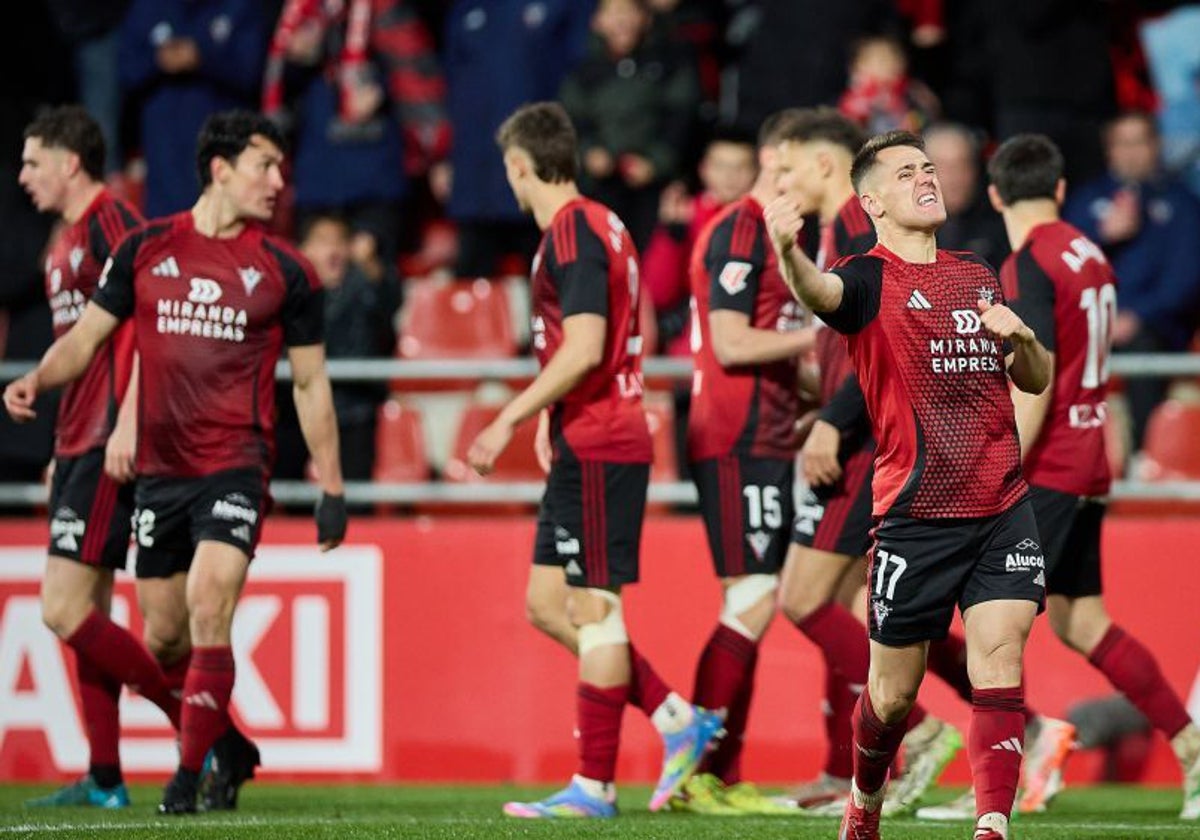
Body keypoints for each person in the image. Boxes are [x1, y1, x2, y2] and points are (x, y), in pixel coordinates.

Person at [4, 110, 348, 815]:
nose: (279, 182)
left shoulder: (284, 268)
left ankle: (186, 780)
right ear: (221, 169)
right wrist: (40, 378)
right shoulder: (147, 248)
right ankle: (211, 743)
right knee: (162, 635)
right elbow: (90, 339)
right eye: (265, 166)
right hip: (159, 471)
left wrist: (332, 487)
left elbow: (311, 383)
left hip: (232, 462)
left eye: (280, 168)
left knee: (202, 603)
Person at [764, 130, 1052, 840]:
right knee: (892, 697)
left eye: (929, 168)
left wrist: (1022, 342)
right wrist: (788, 252)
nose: (925, 178)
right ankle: (865, 801)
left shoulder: (978, 272)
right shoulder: (865, 278)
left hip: (1001, 505)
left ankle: (991, 825)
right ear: (873, 202)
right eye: (906, 173)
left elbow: (1036, 379)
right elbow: (820, 291)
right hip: (916, 517)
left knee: (1000, 659)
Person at [466, 102, 723, 819]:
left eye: (507, 169)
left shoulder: (573, 230)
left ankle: (594, 787)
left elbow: (584, 347)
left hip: (604, 438)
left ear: (521, 164)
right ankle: (678, 720)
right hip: (586, 431)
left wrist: (507, 421)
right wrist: (553, 415)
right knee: (549, 605)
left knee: (596, 610)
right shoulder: (601, 221)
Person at [985, 133, 1200, 821]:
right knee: (1083, 623)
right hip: (1089, 458)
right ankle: (1194, 748)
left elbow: (1036, 371)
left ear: (994, 196)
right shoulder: (1088, 253)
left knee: (994, 626)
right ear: (1056, 190)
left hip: (1046, 464)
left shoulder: (1029, 263)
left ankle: (1012, 774)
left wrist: (1000, 467)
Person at [15, 104, 175, 810]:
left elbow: (151, 317)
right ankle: (107, 777)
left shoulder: (113, 221)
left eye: (32, 161)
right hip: (77, 437)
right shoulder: (68, 237)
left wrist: (128, 422)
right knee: (89, 616)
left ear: (69, 161)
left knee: (61, 609)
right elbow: (82, 343)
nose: (22, 176)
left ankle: (203, 727)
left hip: (108, 434)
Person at [671, 110, 814, 815]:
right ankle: (695, 768)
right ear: (778, 157)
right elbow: (731, 343)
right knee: (754, 599)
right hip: (736, 436)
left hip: (768, 436)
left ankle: (712, 773)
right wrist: (821, 333)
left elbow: (781, 345)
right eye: (809, 163)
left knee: (752, 600)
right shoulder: (740, 227)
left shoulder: (781, 235)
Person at [1064, 111, 1200, 454]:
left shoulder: (1181, 202)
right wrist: (1102, 236)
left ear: (1156, 145)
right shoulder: (1085, 201)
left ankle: (1142, 455)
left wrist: (1136, 315)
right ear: (1109, 149)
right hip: (1091, 321)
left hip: (1157, 327)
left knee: (1142, 344)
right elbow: (1061, 268)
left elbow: (1186, 280)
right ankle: (1061, 458)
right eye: (1122, 143)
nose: (1131, 152)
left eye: (1139, 142)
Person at [559, 0, 701, 250]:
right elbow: (572, 121)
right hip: (598, 186)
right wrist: (590, 152)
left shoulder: (671, 62)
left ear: (645, 18)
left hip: (656, 188)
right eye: (612, 12)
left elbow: (682, 117)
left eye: (628, 11)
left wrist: (656, 162)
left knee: (654, 267)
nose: (621, 20)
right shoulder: (583, 70)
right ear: (597, 21)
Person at [297, 212, 400, 485]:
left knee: (354, 502)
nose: (333, 250)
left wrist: (371, 266)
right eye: (322, 241)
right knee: (293, 509)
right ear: (303, 250)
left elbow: (390, 303)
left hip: (355, 411)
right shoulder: (291, 291)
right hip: (298, 412)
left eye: (340, 241)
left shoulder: (363, 285)